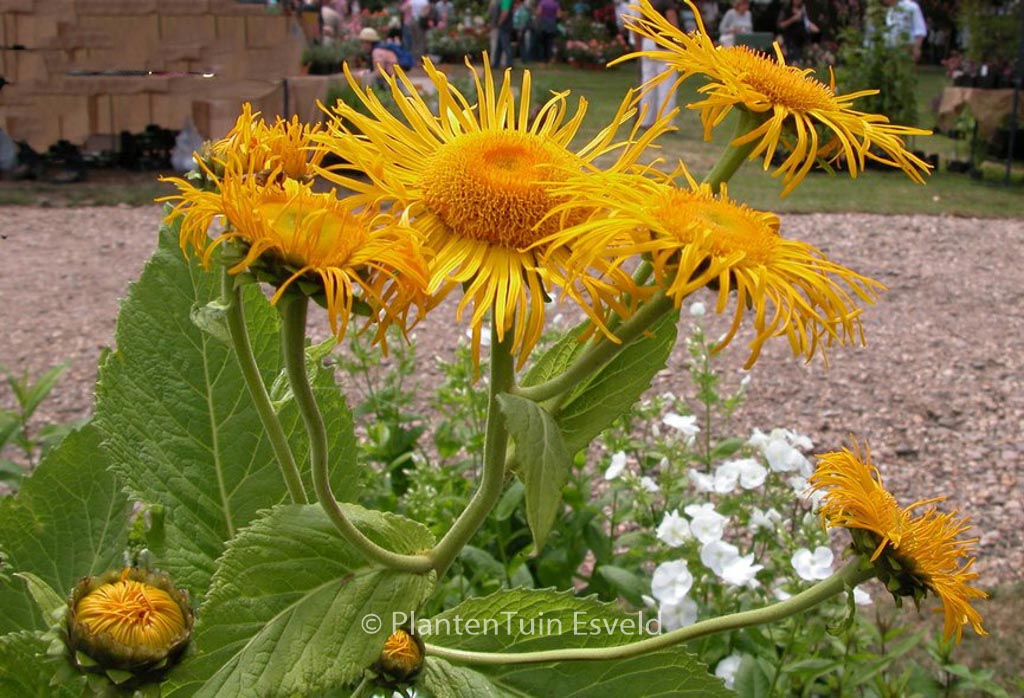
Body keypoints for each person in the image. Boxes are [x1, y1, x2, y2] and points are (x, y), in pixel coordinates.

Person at [631, 0, 680, 128]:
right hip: (664, 45)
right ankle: (665, 122)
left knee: (648, 85)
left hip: (647, 43)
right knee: (666, 86)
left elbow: (638, 24)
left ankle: (645, 120)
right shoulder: (667, 4)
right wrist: (680, 45)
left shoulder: (648, 3)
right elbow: (672, 27)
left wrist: (638, 47)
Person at [776, 0, 818, 65]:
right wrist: (793, 19)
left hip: (802, 39)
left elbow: (807, 23)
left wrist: (813, 28)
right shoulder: (786, 9)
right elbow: (780, 25)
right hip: (790, 39)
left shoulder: (804, 9)